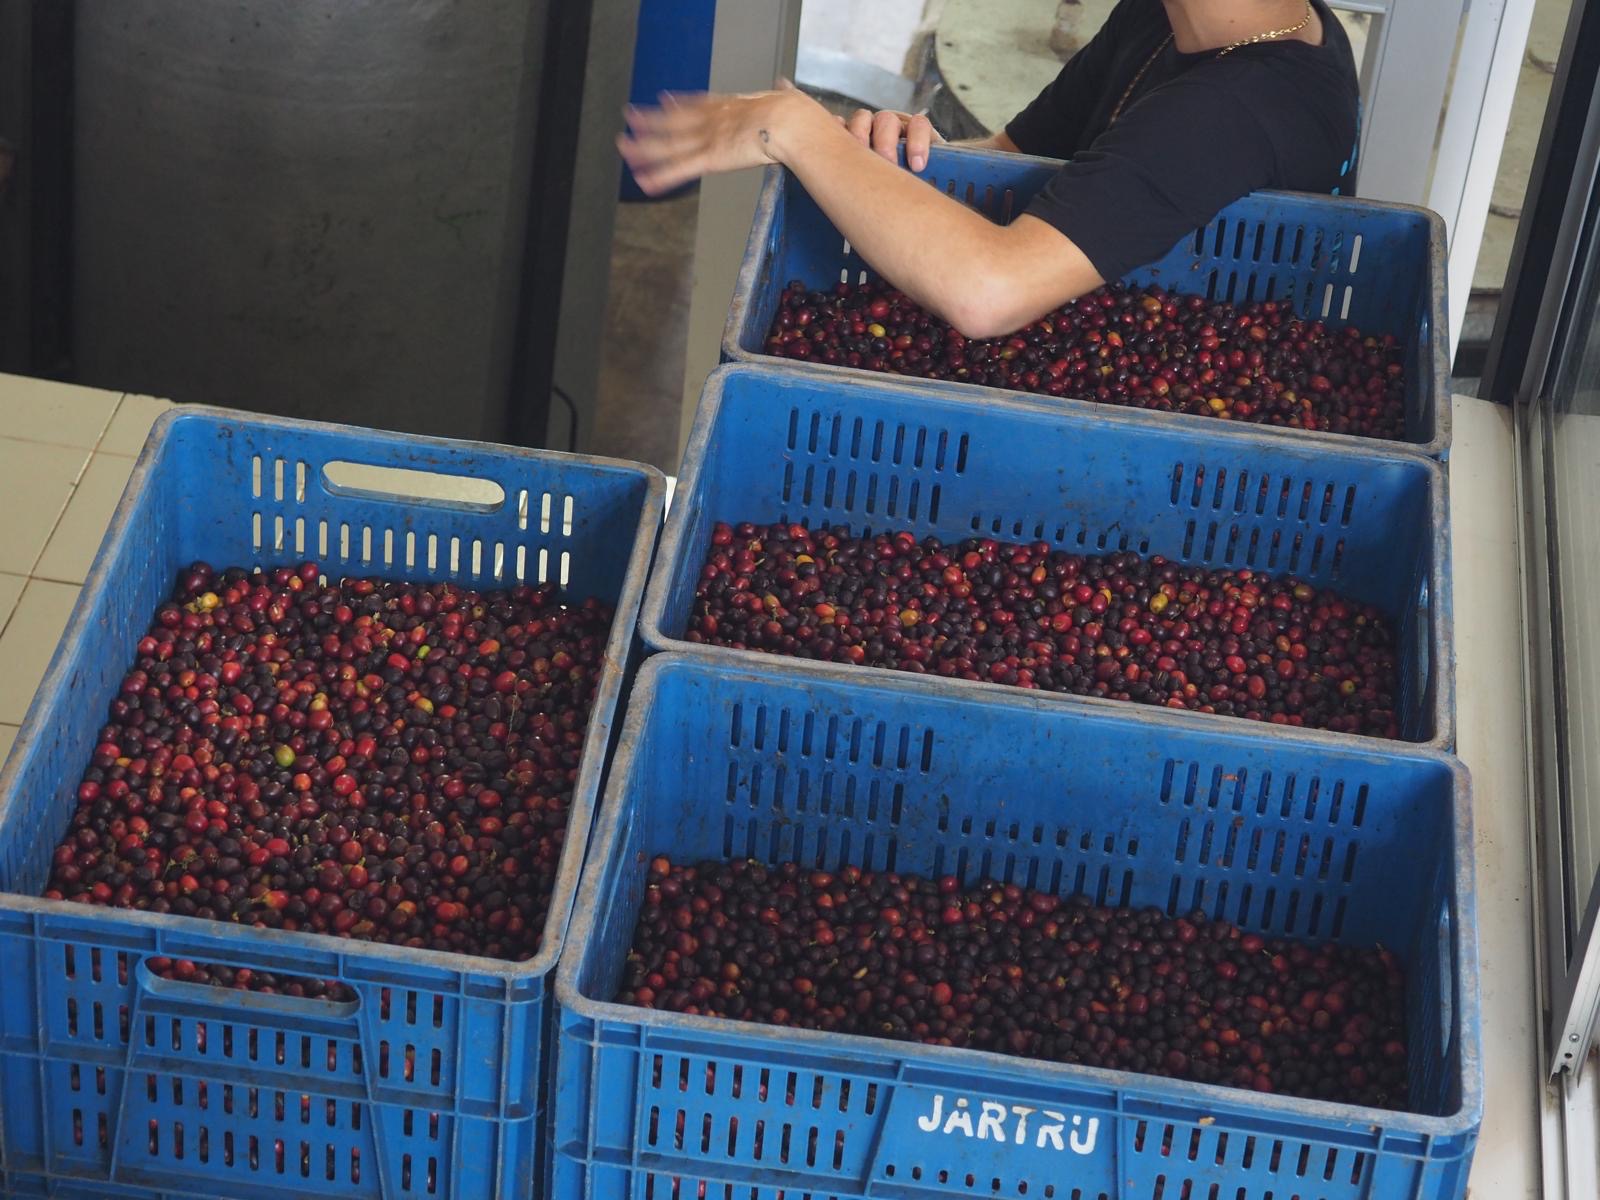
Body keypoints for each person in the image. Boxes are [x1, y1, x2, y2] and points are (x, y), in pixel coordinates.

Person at [617, 0, 1359, 339]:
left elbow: (989, 293)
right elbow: (1009, 161)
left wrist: (801, 134)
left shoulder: (1242, 105)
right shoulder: (1171, 17)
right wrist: (889, 161)